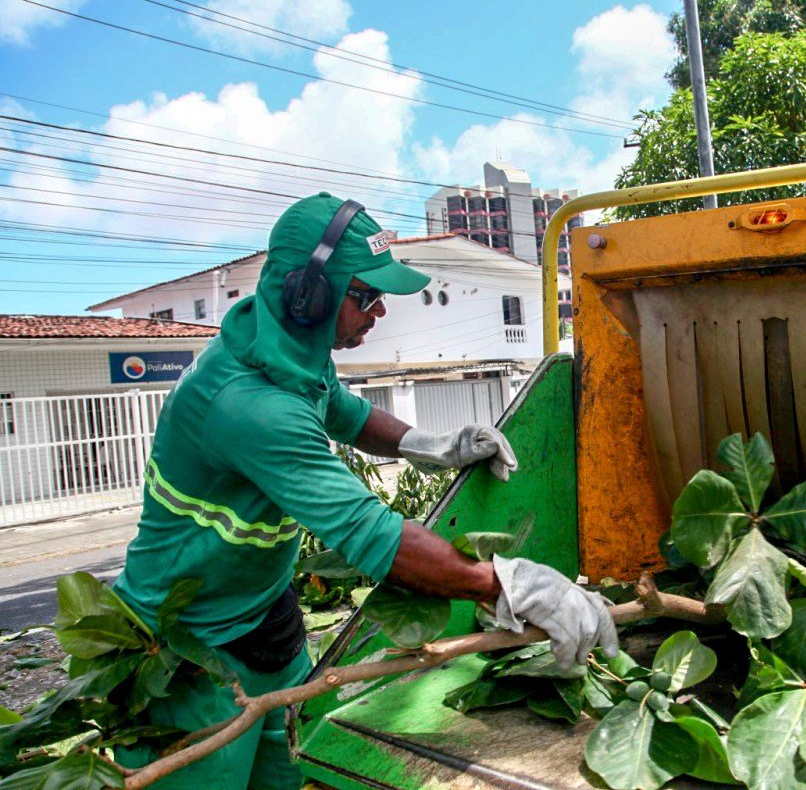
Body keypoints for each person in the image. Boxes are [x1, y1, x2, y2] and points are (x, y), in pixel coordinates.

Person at [111, 192, 617, 790]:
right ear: (308, 294)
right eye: (367, 296)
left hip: (265, 623)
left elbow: (347, 414)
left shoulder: (288, 350)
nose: (378, 314)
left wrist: (431, 444)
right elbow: (375, 537)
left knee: (292, 776)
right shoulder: (249, 407)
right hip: (186, 656)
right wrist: (511, 586)